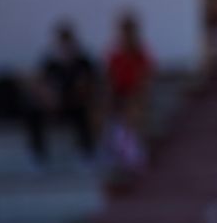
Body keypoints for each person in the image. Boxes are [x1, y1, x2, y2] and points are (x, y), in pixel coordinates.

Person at [28, 22, 99, 162]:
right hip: (54, 105)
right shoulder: (50, 63)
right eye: (62, 41)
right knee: (32, 112)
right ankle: (38, 155)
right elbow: (39, 84)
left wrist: (80, 92)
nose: (65, 45)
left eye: (67, 41)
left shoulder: (83, 61)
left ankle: (87, 152)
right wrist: (47, 96)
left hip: (76, 104)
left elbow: (92, 84)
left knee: (83, 112)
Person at [103, 12, 155, 178]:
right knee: (102, 111)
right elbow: (110, 78)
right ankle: (115, 148)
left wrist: (138, 95)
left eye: (129, 31)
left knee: (132, 110)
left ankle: (133, 153)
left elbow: (145, 77)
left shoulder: (141, 53)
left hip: (136, 94)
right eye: (124, 31)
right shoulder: (115, 55)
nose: (126, 35)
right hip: (119, 94)